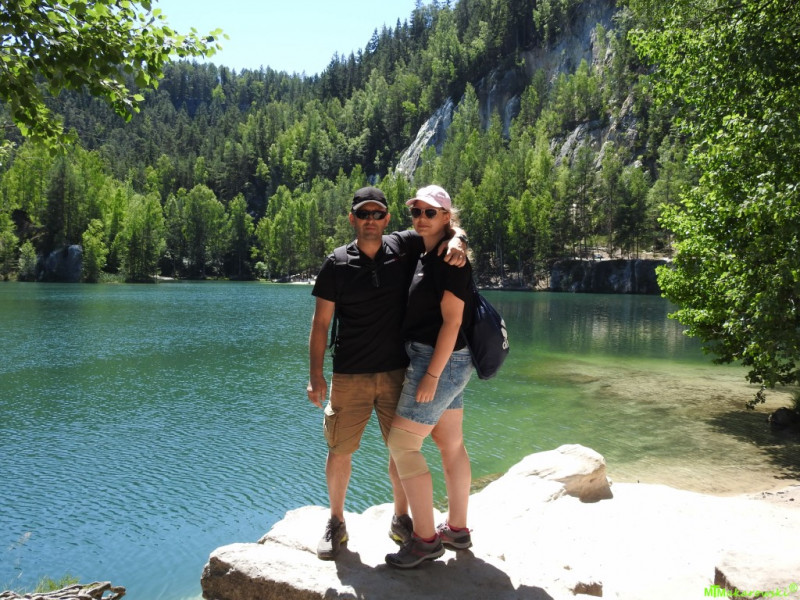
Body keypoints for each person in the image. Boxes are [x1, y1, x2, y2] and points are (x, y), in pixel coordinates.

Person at [307, 186, 468, 560]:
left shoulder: (403, 246)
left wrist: (459, 239)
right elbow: (320, 324)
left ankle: (401, 518)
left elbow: (444, 226)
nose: (371, 220)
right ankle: (336, 521)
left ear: (386, 219)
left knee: (400, 450)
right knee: (339, 449)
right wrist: (316, 375)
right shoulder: (336, 263)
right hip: (349, 374)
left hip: (398, 371)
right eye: (363, 214)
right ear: (352, 219)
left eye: (377, 214)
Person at [384, 184, 475, 569]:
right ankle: (457, 529)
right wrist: (458, 236)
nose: (421, 218)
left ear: (446, 216)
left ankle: (425, 540)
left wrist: (432, 375)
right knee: (450, 443)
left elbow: (452, 322)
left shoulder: (450, 260)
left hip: (439, 360)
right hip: (448, 359)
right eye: (416, 211)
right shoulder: (429, 249)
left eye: (430, 212)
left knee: (403, 445)